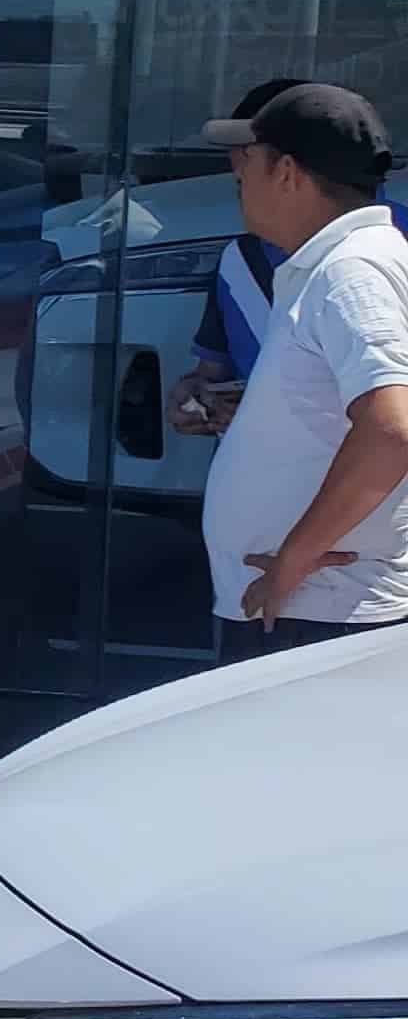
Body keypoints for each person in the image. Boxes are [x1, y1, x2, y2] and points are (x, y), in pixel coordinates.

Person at [193, 81, 408, 659]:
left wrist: (295, 557)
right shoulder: (336, 267)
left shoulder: (352, 273)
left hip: (319, 612)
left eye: (248, 160)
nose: (238, 174)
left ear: (286, 171)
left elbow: (393, 429)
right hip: (309, 608)